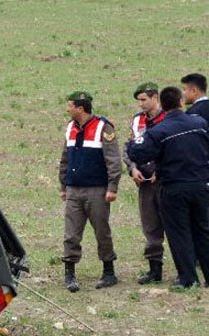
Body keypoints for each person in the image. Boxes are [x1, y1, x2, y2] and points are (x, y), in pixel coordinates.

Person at [127, 86, 209, 288]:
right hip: (200, 185)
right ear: (181, 102)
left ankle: (188, 279)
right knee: (203, 230)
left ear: (162, 104)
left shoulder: (159, 131)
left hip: (174, 188)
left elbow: (136, 152)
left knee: (179, 232)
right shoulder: (199, 123)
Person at [58, 91, 122, 292]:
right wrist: (63, 185)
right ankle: (70, 273)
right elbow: (65, 158)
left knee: (102, 231)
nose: (67, 109)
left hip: (97, 190)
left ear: (80, 108)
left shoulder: (104, 127)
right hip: (74, 190)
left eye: (70, 106)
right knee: (71, 233)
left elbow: (113, 160)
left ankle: (109, 271)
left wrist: (112, 187)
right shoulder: (70, 127)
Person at [122, 82, 166, 284]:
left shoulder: (168, 118)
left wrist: (161, 169)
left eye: (143, 100)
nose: (140, 104)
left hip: (166, 180)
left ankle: (188, 267)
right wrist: (132, 168)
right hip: (145, 182)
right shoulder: (137, 120)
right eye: (138, 100)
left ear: (155, 97)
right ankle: (154, 269)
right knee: (150, 226)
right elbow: (129, 147)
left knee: (176, 224)